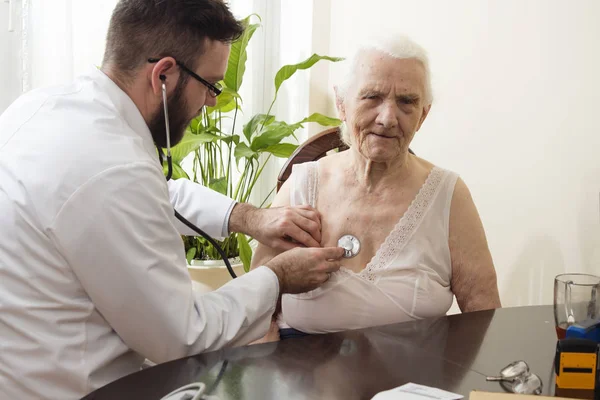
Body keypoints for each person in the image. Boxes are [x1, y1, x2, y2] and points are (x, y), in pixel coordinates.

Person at [0, 1, 344, 399]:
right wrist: (277, 278)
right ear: (163, 74)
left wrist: (247, 217)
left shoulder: (40, 108)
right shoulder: (116, 169)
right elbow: (184, 335)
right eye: (212, 85)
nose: (213, 101)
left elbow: (145, 195)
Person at [251, 36, 502, 341]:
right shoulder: (302, 186)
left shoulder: (449, 195)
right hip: (304, 380)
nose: (387, 119)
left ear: (423, 115)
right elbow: (257, 310)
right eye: (372, 97)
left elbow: (484, 315)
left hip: (414, 383)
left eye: (407, 102)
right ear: (342, 104)